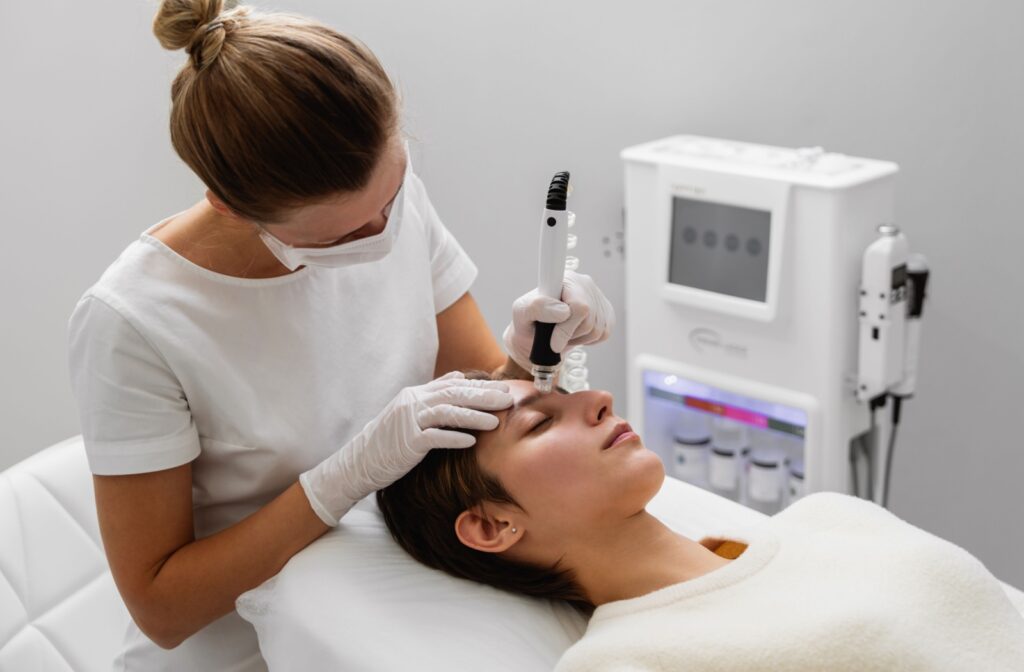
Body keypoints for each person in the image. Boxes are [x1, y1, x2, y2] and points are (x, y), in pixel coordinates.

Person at [66, 2, 613, 670]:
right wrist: (343, 479)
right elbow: (162, 609)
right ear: (230, 205)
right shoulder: (134, 323)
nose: (383, 231)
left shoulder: (386, 198)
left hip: (389, 608)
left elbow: (485, 407)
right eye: (348, 232)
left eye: (393, 193)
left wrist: (531, 356)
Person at [377, 377, 1024, 671]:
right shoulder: (628, 662)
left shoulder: (832, 516)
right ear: (492, 527)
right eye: (542, 422)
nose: (598, 397)